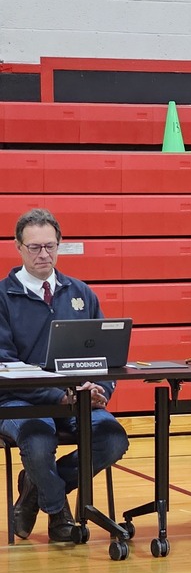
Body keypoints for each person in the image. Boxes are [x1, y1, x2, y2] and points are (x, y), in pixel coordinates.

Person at [2, 208, 130, 543]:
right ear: (18, 247)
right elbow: (4, 363)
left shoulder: (81, 293)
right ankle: (58, 512)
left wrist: (101, 390)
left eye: (50, 246)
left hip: (77, 398)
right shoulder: (2, 297)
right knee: (39, 441)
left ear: (59, 245)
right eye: (34, 247)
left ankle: (34, 490)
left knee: (113, 438)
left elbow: (106, 356)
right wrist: (56, 395)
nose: (43, 254)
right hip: (18, 401)